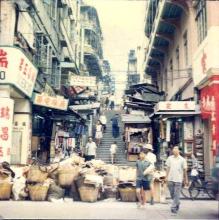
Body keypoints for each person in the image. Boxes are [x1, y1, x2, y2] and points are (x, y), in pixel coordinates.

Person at [166, 146, 188, 214]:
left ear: (179, 151)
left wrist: (186, 179)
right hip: (170, 178)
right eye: (173, 149)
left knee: (176, 194)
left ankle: (173, 207)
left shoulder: (182, 160)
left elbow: (185, 170)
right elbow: (168, 168)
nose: (174, 150)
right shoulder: (170, 158)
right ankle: (177, 202)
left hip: (178, 179)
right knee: (172, 194)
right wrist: (166, 177)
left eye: (176, 149)